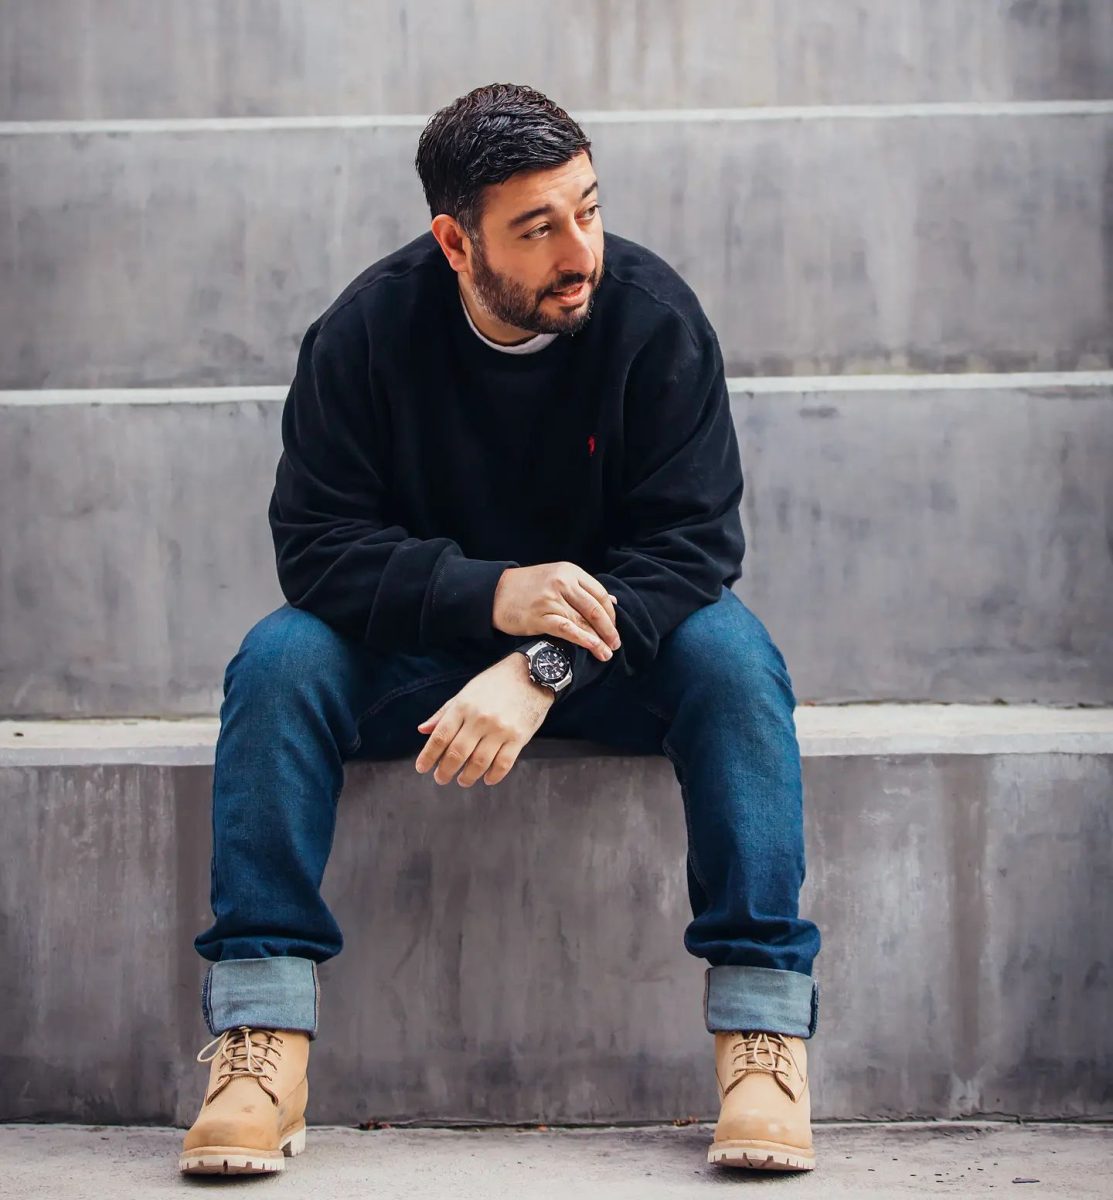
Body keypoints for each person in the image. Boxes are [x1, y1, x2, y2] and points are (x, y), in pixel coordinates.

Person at [179, 82, 821, 1177]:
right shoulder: (366, 333)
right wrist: (491, 595)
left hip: (607, 650)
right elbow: (317, 546)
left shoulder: (652, 320)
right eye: (539, 227)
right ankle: (262, 1040)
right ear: (455, 239)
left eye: (589, 207)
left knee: (734, 655)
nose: (582, 250)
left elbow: (692, 551)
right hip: (415, 652)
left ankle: (761, 1039)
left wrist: (542, 662)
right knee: (279, 661)